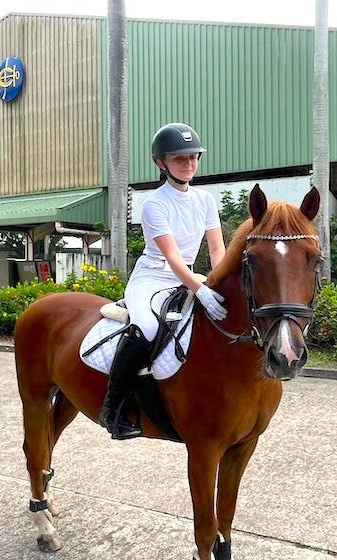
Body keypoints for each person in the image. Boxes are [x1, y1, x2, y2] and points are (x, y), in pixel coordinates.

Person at [99, 122, 228, 440]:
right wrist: (200, 289)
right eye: (180, 159)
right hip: (152, 277)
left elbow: (216, 248)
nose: (189, 165)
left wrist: (218, 284)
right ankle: (113, 408)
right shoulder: (154, 204)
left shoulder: (205, 201)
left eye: (193, 157)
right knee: (148, 327)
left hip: (187, 276)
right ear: (161, 163)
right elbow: (171, 257)